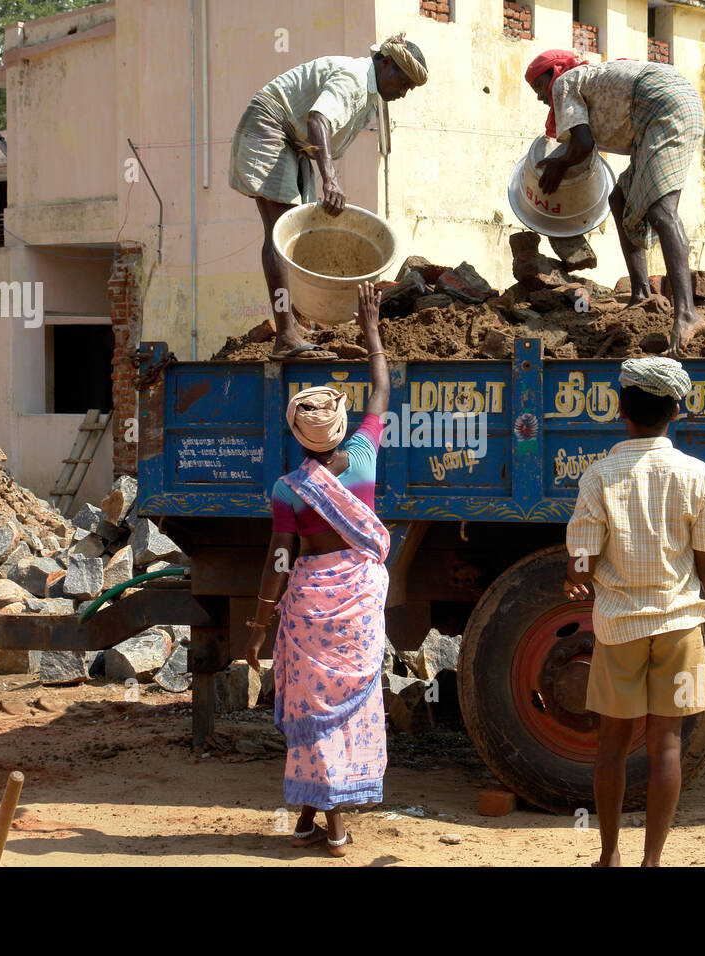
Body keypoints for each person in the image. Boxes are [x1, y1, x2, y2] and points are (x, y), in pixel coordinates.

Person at [563, 356, 705, 867]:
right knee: (666, 744)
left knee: (612, 746)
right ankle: (652, 862)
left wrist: (578, 574)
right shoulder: (699, 476)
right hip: (680, 626)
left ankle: (609, 856)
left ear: (621, 410)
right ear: (676, 413)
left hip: (619, 626)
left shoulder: (599, 475)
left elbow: (582, 559)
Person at [244, 281, 390, 857]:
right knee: (344, 711)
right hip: (356, 602)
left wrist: (260, 623)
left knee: (313, 709)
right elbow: (381, 389)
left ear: (295, 432)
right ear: (340, 426)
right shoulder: (362, 460)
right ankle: (327, 825)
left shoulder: (288, 489)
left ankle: (314, 818)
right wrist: (370, 329)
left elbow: (279, 560)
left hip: (307, 608)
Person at [230, 35, 428, 361]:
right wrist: (330, 180)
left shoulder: (369, 93)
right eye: (404, 82)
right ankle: (285, 336)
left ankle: (293, 324)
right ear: (386, 63)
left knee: (297, 231)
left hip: (294, 143)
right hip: (271, 126)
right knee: (280, 234)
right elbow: (318, 119)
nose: (404, 92)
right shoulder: (354, 78)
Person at [524, 52, 705, 355]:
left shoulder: (565, 83)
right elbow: (583, 150)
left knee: (662, 210)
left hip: (664, 105)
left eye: (539, 86)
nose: (542, 97)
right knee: (619, 198)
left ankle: (687, 314)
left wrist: (557, 167)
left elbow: (583, 146)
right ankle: (641, 294)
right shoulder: (589, 84)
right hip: (654, 115)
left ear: (554, 73)